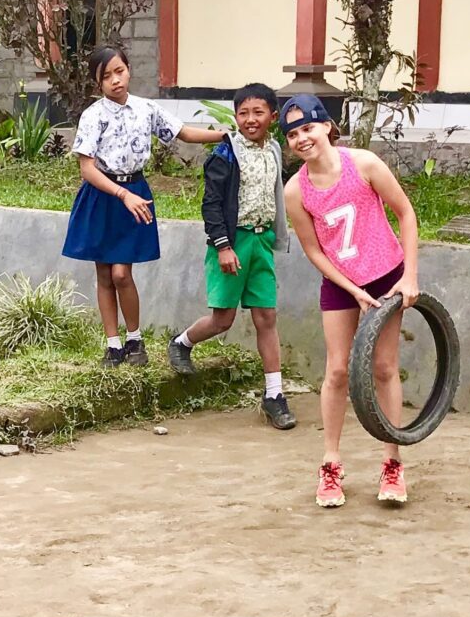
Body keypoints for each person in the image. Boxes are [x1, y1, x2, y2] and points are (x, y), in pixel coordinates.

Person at [281, 94, 420, 509]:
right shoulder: (295, 191)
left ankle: (392, 461)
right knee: (338, 370)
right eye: (292, 134)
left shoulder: (365, 164)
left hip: (387, 275)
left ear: (326, 126)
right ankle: (330, 464)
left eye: (307, 127)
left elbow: (406, 213)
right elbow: (314, 251)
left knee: (383, 367)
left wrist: (409, 276)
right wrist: (353, 290)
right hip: (341, 283)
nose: (302, 138)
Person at [62, 44, 227, 367]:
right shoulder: (92, 116)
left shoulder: (146, 109)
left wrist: (224, 136)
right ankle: (113, 345)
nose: (115, 80)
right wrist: (121, 195)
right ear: (98, 83)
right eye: (106, 76)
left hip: (135, 191)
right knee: (105, 274)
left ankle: (135, 340)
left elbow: (182, 132)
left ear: (129, 69)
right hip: (103, 196)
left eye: (119, 71)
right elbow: (87, 168)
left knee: (123, 273)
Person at [166, 82, 295, 430]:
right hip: (232, 242)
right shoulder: (225, 154)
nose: (250, 120)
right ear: (235, 116)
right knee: (223, 319)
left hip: (261, 241)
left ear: (272, 115)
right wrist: (223, 246)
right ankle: (181, 343)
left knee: (266, 316)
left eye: (258, 112)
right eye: (243, 113)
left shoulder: (274, 151)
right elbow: (211, 204)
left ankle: (274, 395)